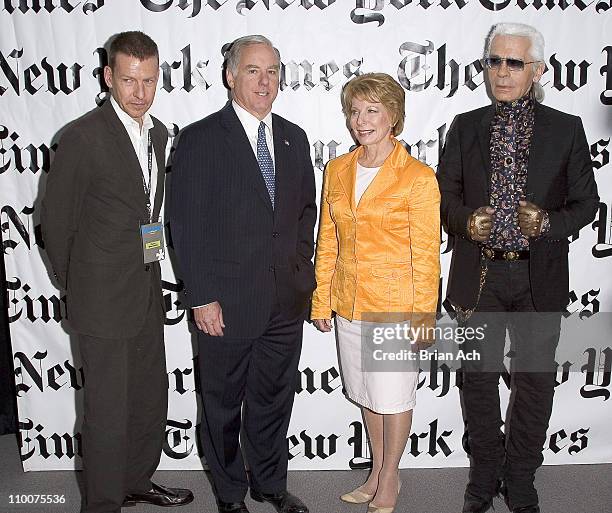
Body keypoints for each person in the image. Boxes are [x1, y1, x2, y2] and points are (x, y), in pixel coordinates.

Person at [437, 22, 599, 513]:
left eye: (514, 62)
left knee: (535, 381)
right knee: (479, 380)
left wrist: (548, 222)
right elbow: (443, 200)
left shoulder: (566, 128)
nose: (502, 72)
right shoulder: (465, 126)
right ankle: (484, 477)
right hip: (480, 275)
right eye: (494, 61)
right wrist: (466, 221)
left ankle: (522, 477)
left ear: (537, 70)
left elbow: (587, 205)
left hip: (538, 277)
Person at [41, 32, 193, 513]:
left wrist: (149, 264)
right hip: (101, 299)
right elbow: (55, 221)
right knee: (106, 413)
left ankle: (136, 481)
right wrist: (80, 285)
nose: (140, 92)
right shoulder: (81, 137)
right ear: (109, 77)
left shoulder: (160, 133)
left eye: (149, 81)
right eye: (129, 80)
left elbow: (149, 210)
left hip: (147, 289)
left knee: (149, 398)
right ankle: (103, 504)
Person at [169, 35, 316, 513]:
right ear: (230, 76)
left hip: (283, 303)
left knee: (274, 402)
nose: (264, 80)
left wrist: (301, 279)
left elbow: (303, 219)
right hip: (225, 304)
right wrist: (202, 296)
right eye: (253, 70)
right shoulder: (200, 138)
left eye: (272, 70)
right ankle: (231, 495)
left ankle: (270, 484)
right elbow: (185, 225)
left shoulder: (294, 137)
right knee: (222, 407)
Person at [311, 73, 441, 513]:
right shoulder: (338, 169)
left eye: (371, 111)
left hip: (395, 307)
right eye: (354, 111)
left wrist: (425, 312)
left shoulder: (418, 178)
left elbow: (426, 253)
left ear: (393, 116)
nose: (360, 121)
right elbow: (327, 239)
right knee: (366, 393)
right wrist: (321, 297)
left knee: (393, 397)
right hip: (348, 302)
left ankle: (389, 476)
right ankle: (376, 471)